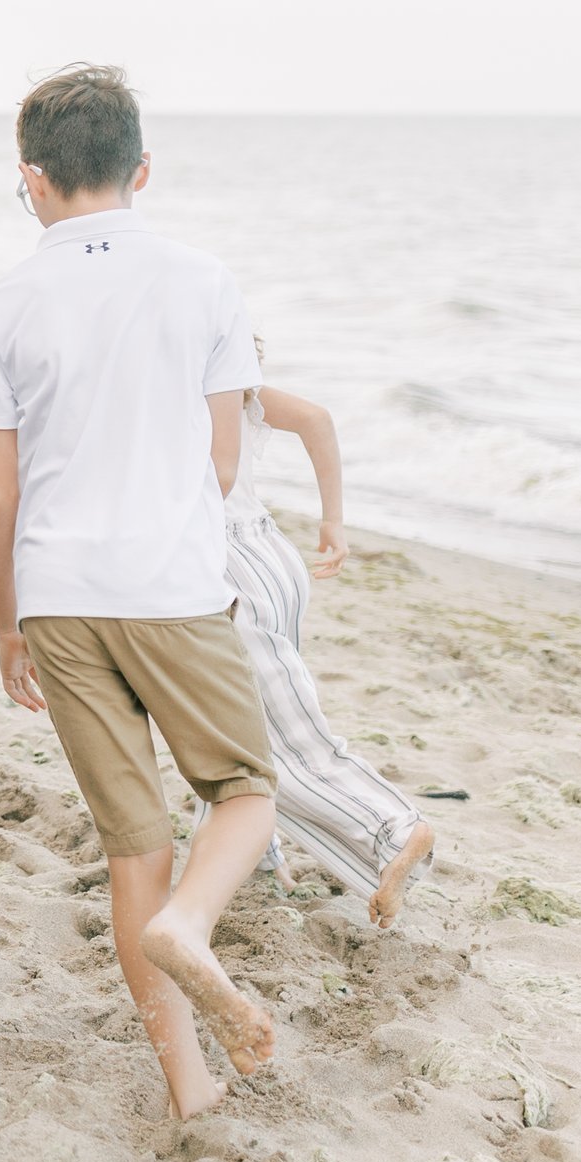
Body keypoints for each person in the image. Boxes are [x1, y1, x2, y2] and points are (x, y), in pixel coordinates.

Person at [0, 65, 280, 1119]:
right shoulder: (203, 280)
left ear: (33, 180)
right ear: (141, 168)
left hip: (55, 589)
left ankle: (188, 1087)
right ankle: (190, 922)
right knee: (240, 788)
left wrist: (8, 620)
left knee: (130, 842)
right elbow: (223, 461)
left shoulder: (3, 299)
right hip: (169, 581)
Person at [207, 375, 435, 926]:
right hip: (270, 553)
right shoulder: (231, 379)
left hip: (223, 564)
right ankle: (257, 862)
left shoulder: (175, 381)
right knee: (229, 722)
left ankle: (394, 828)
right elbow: (317, 419)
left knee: (270, 737)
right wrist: (332, 519)